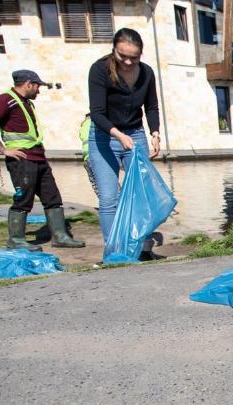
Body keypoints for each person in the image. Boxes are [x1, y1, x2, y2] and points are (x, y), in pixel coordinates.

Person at [0, 70, 85, 251]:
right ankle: (16, 240)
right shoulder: (6, 100)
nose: (39, 90)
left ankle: (60, 235)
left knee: (53, 197)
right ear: (28, 84)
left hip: (38, 158)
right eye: (37, 86)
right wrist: (4, 150)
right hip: (22, 161)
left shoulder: (25, 102)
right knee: (23, 199)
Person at [87, 28, 163, 261]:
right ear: (114, 50)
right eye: (123, 56)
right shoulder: (99, 70)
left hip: (135, 134)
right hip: (104, 136)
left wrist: (155, 132)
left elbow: (151, 106)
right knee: (109, 197)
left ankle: (143, 247)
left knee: (141, 194)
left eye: (134, 57)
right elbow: (97, 113)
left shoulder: (146, 73)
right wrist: (118, 135)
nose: (128, 62)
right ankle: (114, 251)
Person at [78, 113, 99, 197]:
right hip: (96, 156)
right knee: (107, 182)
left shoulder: (83, 127)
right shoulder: (97, 123)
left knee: (95, 183)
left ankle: (104, 205)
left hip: (86, 158)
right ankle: (118, 205)